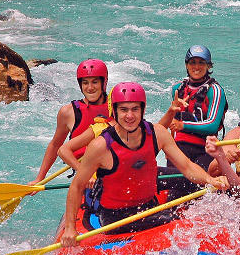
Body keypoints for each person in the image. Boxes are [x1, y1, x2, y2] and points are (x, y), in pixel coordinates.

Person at [58, 82, 228, 246]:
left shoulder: (157, 133)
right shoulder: (100, 146)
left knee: (183, 207)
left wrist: (210, 180)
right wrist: (70, 229)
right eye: (123, 110)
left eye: (135, 109)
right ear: (114, 111)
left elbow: (187, 166)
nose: (129, 116)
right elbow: (77, 186)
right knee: (176, 224)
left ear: (143, 110)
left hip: (148, 207)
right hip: (116, 218)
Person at [30, 59, 110, 184]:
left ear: (104, 83)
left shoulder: (117, 108)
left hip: (112, 168)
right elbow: (55, 145)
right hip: (85, 173)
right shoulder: (68, 112)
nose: (90, 87)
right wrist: (39, 179)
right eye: (85, 83)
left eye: (95, 82)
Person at [157, 45, 228, 168]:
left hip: (205, 149)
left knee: (195, 178)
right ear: (186, 65)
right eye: (192, 62)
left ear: (209, 66)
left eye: (201, 62)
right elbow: (173, 122)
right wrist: (169, 147)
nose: (196, 67)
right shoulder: (177, 88)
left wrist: (182, 125)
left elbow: (212, 125)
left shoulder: (215, 91)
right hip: (179, 148)